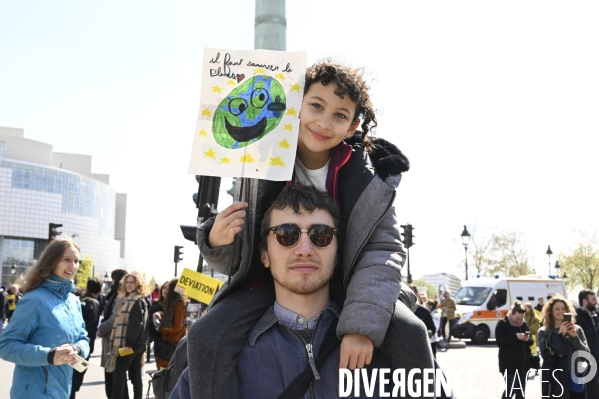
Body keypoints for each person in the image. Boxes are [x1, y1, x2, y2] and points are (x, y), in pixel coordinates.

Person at [188, 60, 433, 398]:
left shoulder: (370, 178)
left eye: (340, 115)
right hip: (271, 282)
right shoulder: (257, 159)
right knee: (205, 336)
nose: (323, 122)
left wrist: (361, 326)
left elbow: (384, 250)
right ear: (295, 105)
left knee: (411, 333)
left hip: (353, 286)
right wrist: (217, 241)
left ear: (352, 126)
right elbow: (242, 255)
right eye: (316, 106)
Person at [173, 185, 441, 398]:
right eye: (286, 234)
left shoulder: (395, 353)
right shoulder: (217, 362)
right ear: (263, 254)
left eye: (321, 235)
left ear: (338, 253)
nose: (304, 248)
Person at [0, 238, 90, 399]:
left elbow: (84, 338)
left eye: (76, 261)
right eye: (67, 260)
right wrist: (48, 355)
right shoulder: (34, 300)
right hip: (32, 392)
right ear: (52, 261)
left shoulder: (74, 301)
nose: (73, 266)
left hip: (63, 390)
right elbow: (6, 346)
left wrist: (76, 349)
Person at [106, 271, 149, 399]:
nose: (129, 285)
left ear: (138, 284)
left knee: (118, 373)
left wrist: (128, 344)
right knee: (135, 377)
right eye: (127, 282)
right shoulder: (135, 299)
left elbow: (136, 324)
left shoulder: (136, 300)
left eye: (132, 282)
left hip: (131, 345)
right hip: (138, 344)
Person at [538, 295, 590, 399]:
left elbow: (586, 353)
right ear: (551, 312)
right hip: (555, 378)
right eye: (557, 309)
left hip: (574, 374)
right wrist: (559, 334)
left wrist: (575, 337)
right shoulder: (544, 331)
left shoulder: (577, 329)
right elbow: (547, 356)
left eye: (563, 309)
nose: (561, 311)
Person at [97, 269, 130, 399]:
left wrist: (100, 329)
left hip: (114, 341)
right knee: (114, 380)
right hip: (111, 340)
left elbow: (114, 319)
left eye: (113, 278)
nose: (112, 281)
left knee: (115, 383)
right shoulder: (114, 295)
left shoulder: (120, 297)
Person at [71, 276, 104, 399]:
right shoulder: (94, 303)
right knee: (75, 381)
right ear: (100, 291)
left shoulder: (79, 300)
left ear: (87, 288)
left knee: (70, 379)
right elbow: (91, 329)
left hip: (72, 343)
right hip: (83, 347)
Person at [495, 300, 533, 399]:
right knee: (511, 389)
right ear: (511, 314)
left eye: (521, 319)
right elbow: (500, 342)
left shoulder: (524, 324)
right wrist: (515, 336)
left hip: (523, 365)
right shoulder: (502, 324)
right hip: (509, 365)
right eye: (517, 319)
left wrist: (528, 339)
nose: (520, 321)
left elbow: (531, 342)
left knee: (521, 393)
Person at [154, 278, 187, 369]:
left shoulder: (178, 303)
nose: (166, 290)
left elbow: (177, 326)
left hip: (172, 344)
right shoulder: (173, 302)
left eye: (169, 288)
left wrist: (161, 329)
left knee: (167, 375)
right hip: (169, 343)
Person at [575, 289, 599, 397]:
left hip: (597, 359)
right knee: (590, 391)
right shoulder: (577, 318)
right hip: (587, 362)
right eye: (593, 299)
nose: (596, 302)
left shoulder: (595, 316)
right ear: (585, 301)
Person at [149, 280, 169, 369]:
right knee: (161, 370)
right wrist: (156, 323)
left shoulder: (178, 305)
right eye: (164, 288)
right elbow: (150, 320)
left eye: (169, 288)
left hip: (173, 341)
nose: (166, 290)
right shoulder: (156, 304)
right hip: (159, 341)